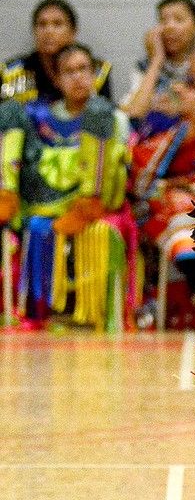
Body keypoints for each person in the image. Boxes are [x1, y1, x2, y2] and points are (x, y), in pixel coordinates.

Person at [0, 43, 135, 331]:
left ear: (94, 74)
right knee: (9, 111)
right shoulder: (41, 116)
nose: (78, 78)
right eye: (69, 72)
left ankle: (87, 203)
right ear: (58, 79)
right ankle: (5, 193)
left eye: (83, 69)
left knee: (99, 112)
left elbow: (121, 165)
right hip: (46, 196)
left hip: (98, 200)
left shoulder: (111, 116)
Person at [130, 28, 195, 329]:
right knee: (183, 209)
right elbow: (140, 154)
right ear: (190, 61)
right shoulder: (168, 100)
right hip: (177, 190)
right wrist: (189, 132)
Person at [2, 0, 112, 104]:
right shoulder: (10, 73)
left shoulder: (96, 73)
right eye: (42, 24)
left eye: (57, 24)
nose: (49, 31)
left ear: (73, 32)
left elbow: (106, 118)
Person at [121, 0, 195, 134]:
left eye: (179, 19)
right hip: (154, 145)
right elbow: (133, 115)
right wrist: (156, 60)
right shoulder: (145, 66)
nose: (169, 27)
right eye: (163, 20)